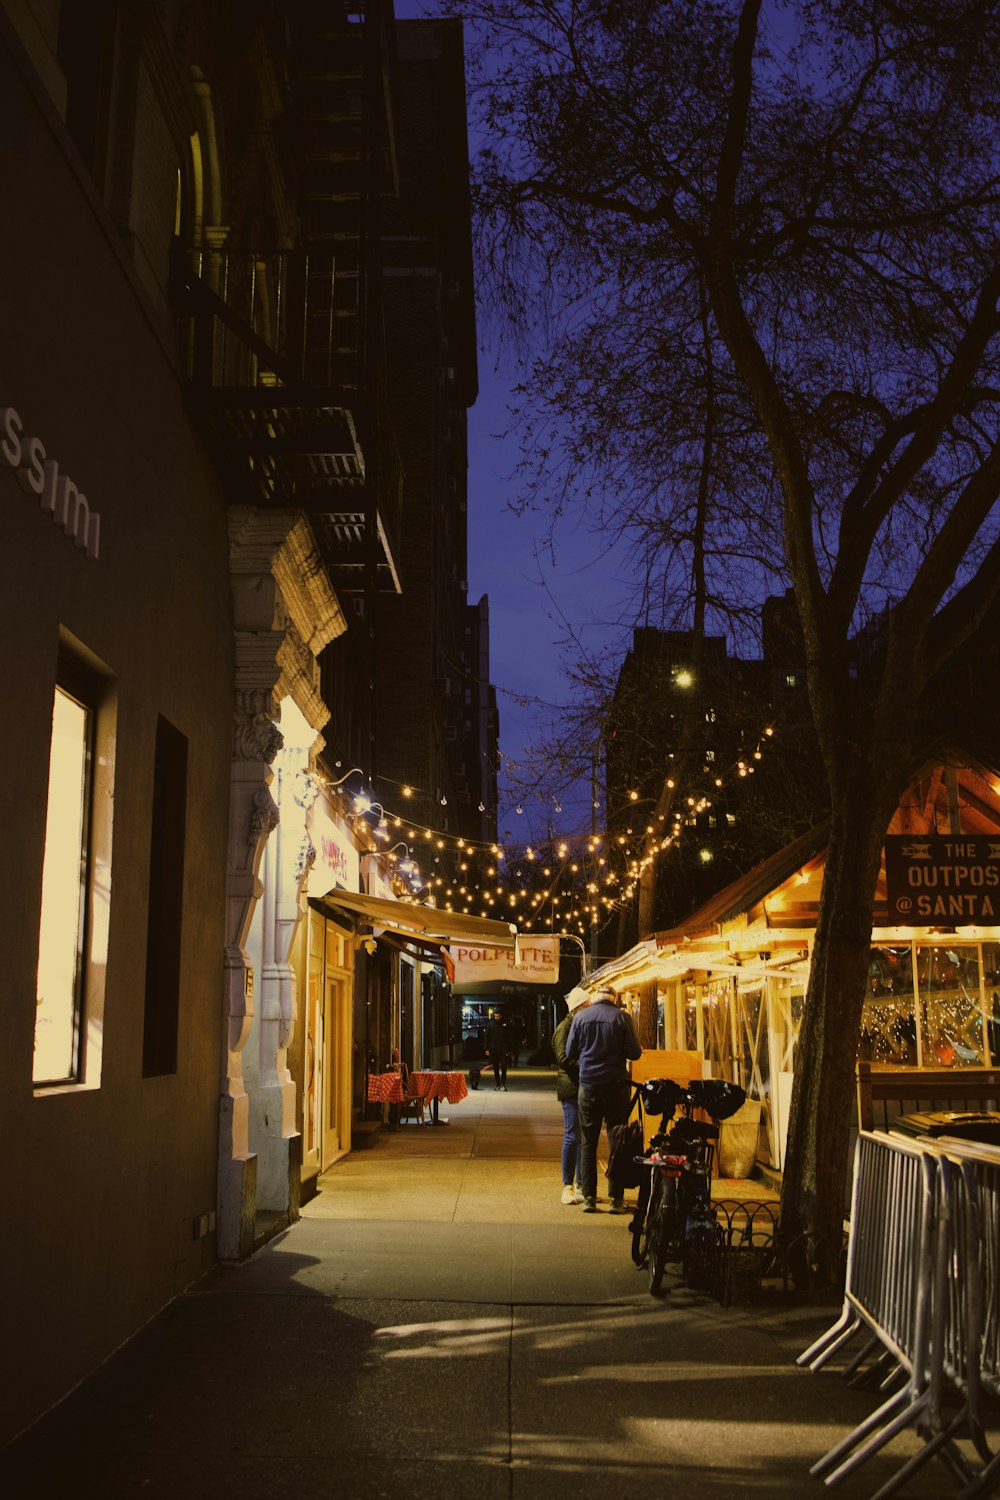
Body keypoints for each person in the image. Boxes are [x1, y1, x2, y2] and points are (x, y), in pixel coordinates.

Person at [566, 987, 641, 1213]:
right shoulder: (622, 1018)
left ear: (596, 999)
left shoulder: (580, 1017)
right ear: (614, 999)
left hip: (588, 1086)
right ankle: (616, 1200)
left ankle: (589, 1197)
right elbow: (635, 1053)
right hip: (615, 1087)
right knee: (616, 1139)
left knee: (588, 1141)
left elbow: (570, 1052)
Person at [553, 987, 589, 1204]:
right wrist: (585, 1066)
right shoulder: (564, 1028)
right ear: (577, 1008)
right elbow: (562, 1058)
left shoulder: (575, 1024)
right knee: (572, 1135)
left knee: (582, 1137)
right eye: (586, 1006)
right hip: (571, 1087)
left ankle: (581, 1184)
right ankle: (568, 1184)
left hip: (580, 1085)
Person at [485, 1011, 511, 1090]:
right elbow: (487, 1037)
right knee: (495, 1067)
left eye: (498, 1016)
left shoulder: (505, 1024)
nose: (497, 1018)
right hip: (493, 1049)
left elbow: (509, 1037)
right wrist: (487, 1048)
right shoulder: (490, 1025)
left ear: (501, 1016)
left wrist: (508, 1049)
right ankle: (497, 1084)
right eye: (495, 1016)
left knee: (503, 1066)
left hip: (503, 1049)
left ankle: (503, 1083)